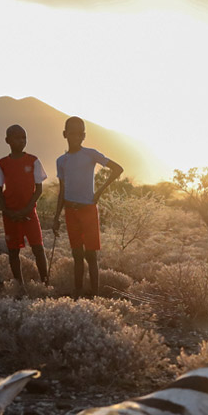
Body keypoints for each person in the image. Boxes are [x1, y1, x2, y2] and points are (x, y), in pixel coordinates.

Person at [52, 116, 123, 298]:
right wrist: (56, 217)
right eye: (71, 133)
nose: (75, 137)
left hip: (88, 210)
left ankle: (95, 296)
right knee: (76, 255)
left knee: (90, 256)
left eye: (79, 133)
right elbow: (63, 190)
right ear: (64, 134)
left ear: (84, 135)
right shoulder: (61, 161)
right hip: (70, 211)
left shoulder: (91, 154)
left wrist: (99, 192)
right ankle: (77, 294)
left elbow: (118, 169)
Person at [0, 124, 49, 289]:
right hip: (10, 215)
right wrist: (7, 211)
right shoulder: (2, 163)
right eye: (17, 137)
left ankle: (45, 282)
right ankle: (19, 285)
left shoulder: (33, 161)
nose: (21, 141)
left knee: (38, 248)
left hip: (29, 213)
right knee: (13, 251)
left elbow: (39, 189)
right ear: (7, 140)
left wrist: (27, 209)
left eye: (23, 137)